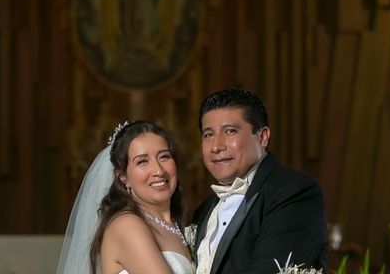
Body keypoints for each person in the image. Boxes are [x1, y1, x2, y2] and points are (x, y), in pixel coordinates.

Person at [192, 88, 328, 274]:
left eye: (230, 131)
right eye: (208, 134)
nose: (216, 146)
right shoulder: (203, 210)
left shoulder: (294, 190)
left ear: (263, 137)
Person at [58, 121, 195, 274]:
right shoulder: (126, 225)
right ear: (123, 176)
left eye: (164, 157)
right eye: (142, 161)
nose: (158, 170)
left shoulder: (180, 226)